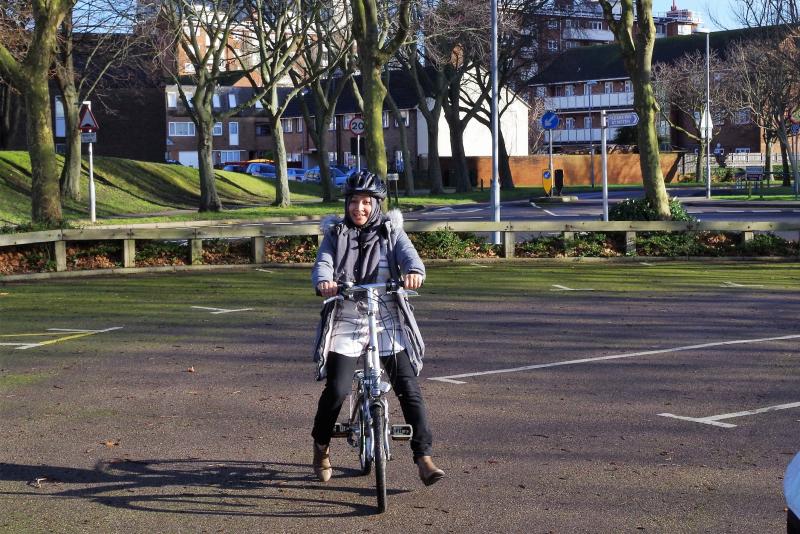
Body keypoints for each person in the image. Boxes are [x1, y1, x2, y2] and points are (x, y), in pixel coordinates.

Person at [310, 170, 445, 486]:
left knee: (408, 387)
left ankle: (423, 457)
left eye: (366, 202)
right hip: (347, 318)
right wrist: (324, 283)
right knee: (338, 389)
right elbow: (323, 264)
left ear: (377, 204)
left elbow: (411, 258)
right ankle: (321, 446)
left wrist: (414, 273)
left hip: (386, 319)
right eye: (354, 201)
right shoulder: (335, 234)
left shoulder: (391, 232)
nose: (360, 208)